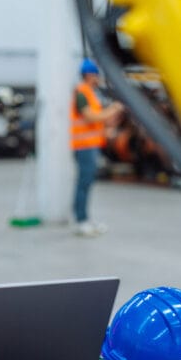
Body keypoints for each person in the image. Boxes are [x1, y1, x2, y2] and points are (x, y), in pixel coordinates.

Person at [69, 58, 124, 237]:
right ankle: (81, 221)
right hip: (83, 146)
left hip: (91, 145)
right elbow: (90, 117)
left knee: (87, 182)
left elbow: (100, 119)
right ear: (89, 75)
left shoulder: (90, 93)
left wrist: (112, 119)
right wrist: (114, 109)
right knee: (83, 182)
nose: (98, 78)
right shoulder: (81, 92)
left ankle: (86, 219)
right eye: (96, 74)